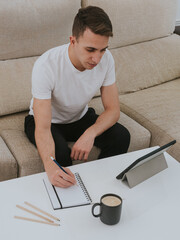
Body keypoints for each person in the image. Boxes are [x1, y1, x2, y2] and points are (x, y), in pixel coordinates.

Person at [24, 6, 130, 188]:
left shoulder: (106, 60)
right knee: (61, 156)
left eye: (102, 49)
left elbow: (113, 110)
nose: (97, 59)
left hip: (79, 117)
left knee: (121, 136)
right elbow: (42, 129)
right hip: (48, 122)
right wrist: (50, 166)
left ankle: (101, 186)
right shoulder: (46, 65)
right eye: (90, 50)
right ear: (72, 41)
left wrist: (90, 133)